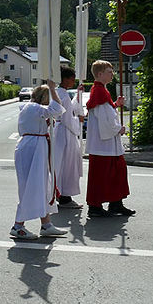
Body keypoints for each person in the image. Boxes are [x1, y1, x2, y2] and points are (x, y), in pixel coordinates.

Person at [10, 82, 68, 239]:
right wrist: (53, 90)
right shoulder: (34, 108)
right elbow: (57, 109)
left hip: (37, 146)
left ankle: (46, 224)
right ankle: (18, 226)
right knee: (30, 186)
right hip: (32, 147)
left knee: (42, 185)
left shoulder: (35, 109)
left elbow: (56, 112)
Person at [84, 60, 134, 218]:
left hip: (108, 144)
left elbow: (105, 111)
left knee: (117, 173)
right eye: (109, 71)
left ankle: (115, 203)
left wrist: (115, 104)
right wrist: (119, 129)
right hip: (103, 145)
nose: (112, 74)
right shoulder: (99, 92)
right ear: (100, 74)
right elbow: (104, 120)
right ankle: (95, 206)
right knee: (101, 176)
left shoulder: (101, 91)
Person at [52, 67, 86, 210]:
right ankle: (65, 196)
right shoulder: (63, 95)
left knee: (61, 164)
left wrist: (78, 94)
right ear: (65, 79)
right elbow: (67, 118)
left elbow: (69, 107)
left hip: (59, 132)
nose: (73, 81)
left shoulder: (59, 93)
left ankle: (60, 193)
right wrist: (78, 123)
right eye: (71, 78)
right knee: (68, 165)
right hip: (66, 132)